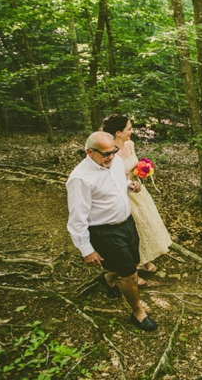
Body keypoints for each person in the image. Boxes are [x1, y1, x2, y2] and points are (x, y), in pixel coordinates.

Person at [66, 132, 158, 331]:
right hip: (104, 231)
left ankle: (109, 277)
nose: (111, 157)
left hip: (127, 223)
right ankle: (138, 313)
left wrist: (129, 185)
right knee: (131, 275)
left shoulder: (115, 162)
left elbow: (115, 184)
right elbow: (77, 219)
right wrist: (86, 249)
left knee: (134, 261)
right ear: (89, 152)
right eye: (105, 154)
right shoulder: (80, 179)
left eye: (113, 152)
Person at [101, 114, 172, 281]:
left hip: (139, 190)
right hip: (122, 195)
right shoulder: (108, 150)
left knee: (147, 224)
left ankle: (146, 259)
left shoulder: (130, 144)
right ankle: (132, 270)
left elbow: (133, 165)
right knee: (133, 230)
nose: (132, 131)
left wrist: (142, 169)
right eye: (129, 128)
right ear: (118, 132)